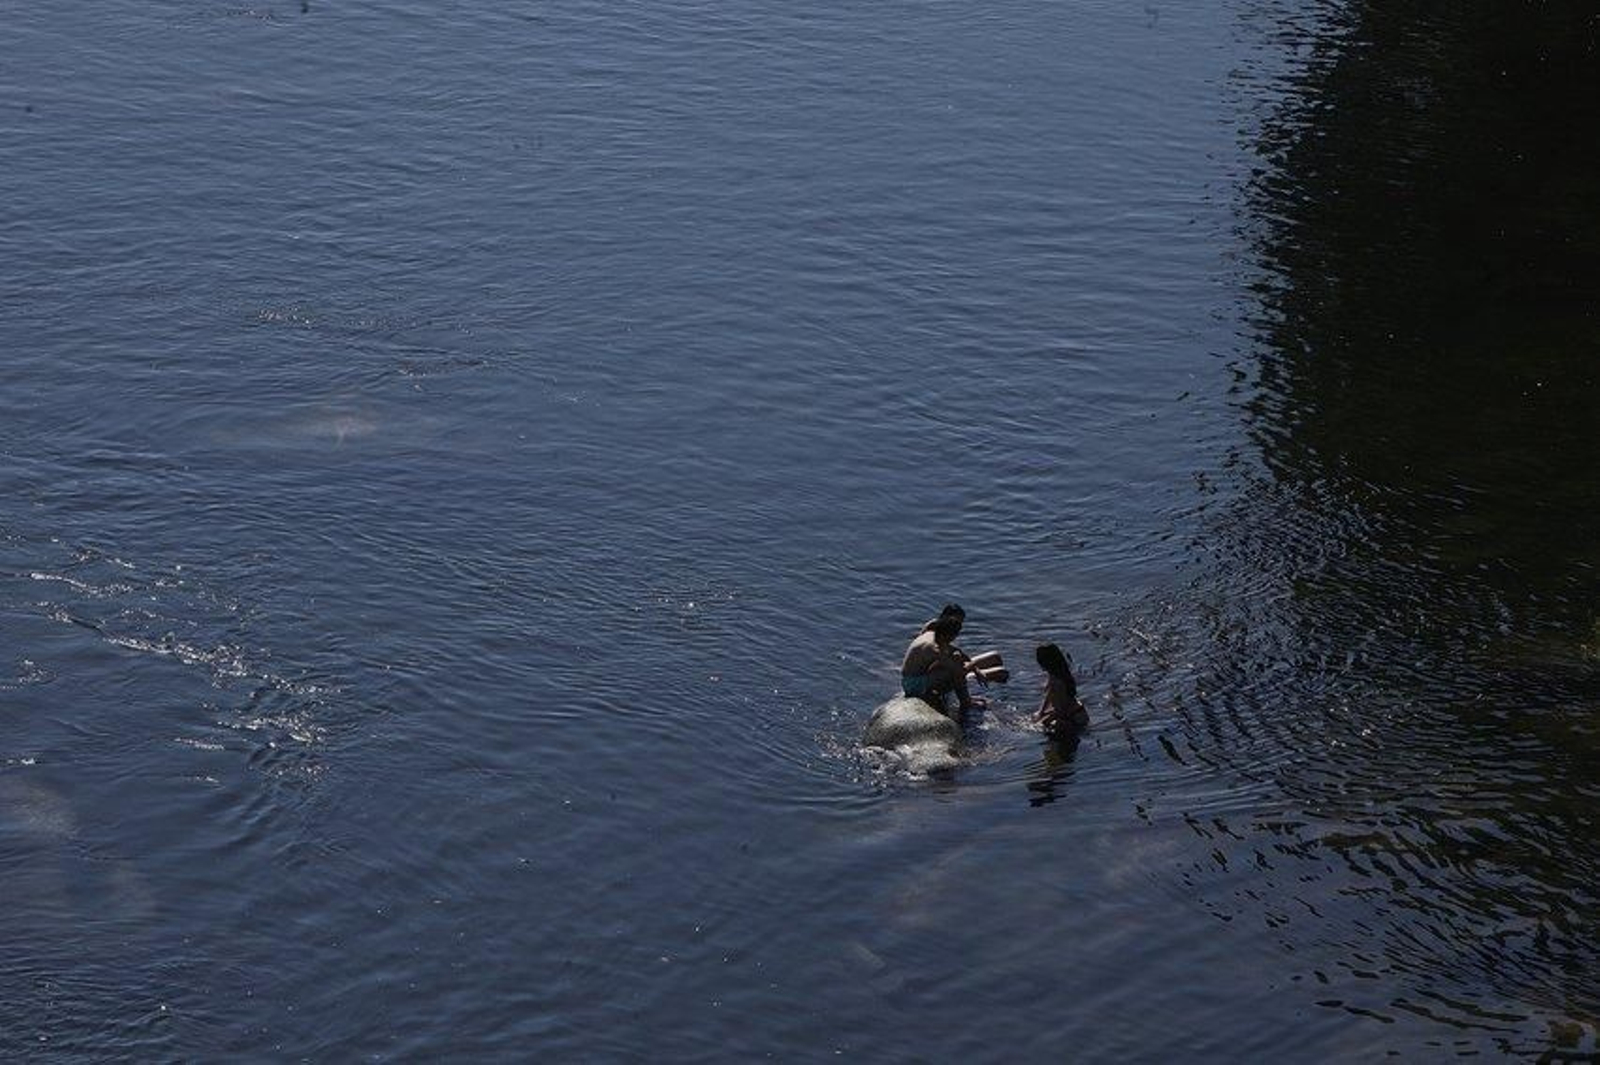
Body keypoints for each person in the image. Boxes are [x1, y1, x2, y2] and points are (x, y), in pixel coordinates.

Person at [901, 615, 983, 714]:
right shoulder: (934, 648)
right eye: (954, 636)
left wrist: (976, 669)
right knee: (953, 673)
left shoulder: (932, 634)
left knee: (955, 658)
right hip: (913, 685)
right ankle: (966, 702)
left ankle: (965, 699)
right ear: (948, 635)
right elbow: (956, 671)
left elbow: (957, 650)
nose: (954, 639)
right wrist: (973, 665)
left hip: (915, 677)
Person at [920, 603, 1008, 686]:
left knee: (996, 657)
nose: (959, 626)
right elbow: (943, 659)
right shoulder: (935, 632)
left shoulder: (940, 628)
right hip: (940, 671)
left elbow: (953, 651)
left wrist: (973, 667)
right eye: (958, 622)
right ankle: (971, 682)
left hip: (948, 664)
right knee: (1002, 672)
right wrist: (974, 670)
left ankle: (984, 683)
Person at [1034, 642, 1088, 737]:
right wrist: (1041, 712)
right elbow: (1049, 695)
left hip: (1074, 716)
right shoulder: (1055, 674)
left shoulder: (1058, 682)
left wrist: (1046, 719)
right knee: (1038, 718)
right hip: (1072, 712)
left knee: (1051, 727)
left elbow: (1062, 709)